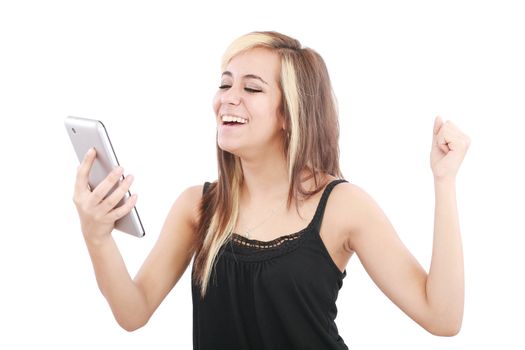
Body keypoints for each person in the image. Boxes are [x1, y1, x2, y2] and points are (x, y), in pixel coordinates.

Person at [72, 31, 470, 349]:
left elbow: (442, 317)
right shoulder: (198, 207)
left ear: (288, 114)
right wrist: (97, 236)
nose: (229, 98)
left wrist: (444, 181)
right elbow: (133, 312)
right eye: (225, 84)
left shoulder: (341, 206)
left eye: (252, 88)